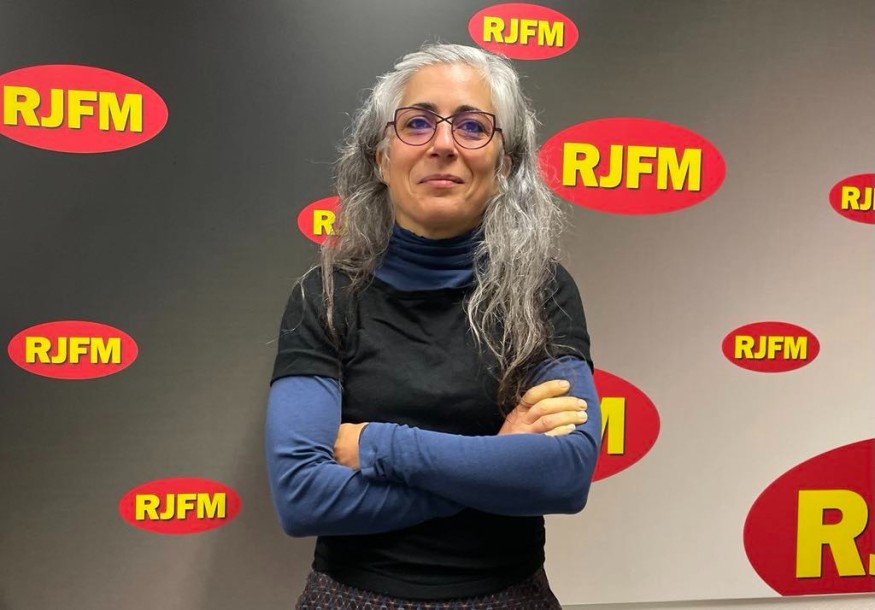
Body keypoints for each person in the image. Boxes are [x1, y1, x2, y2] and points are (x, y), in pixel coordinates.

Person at [266, 43, 601, 609]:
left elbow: (564, 476)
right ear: (381, 158)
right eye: (417, 123)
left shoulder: (541, 290)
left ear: (505, 165)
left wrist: (377, 445)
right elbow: (302, 497)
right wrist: (496, 461)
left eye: (472, 127)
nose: (443, 144)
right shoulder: (323, 296)